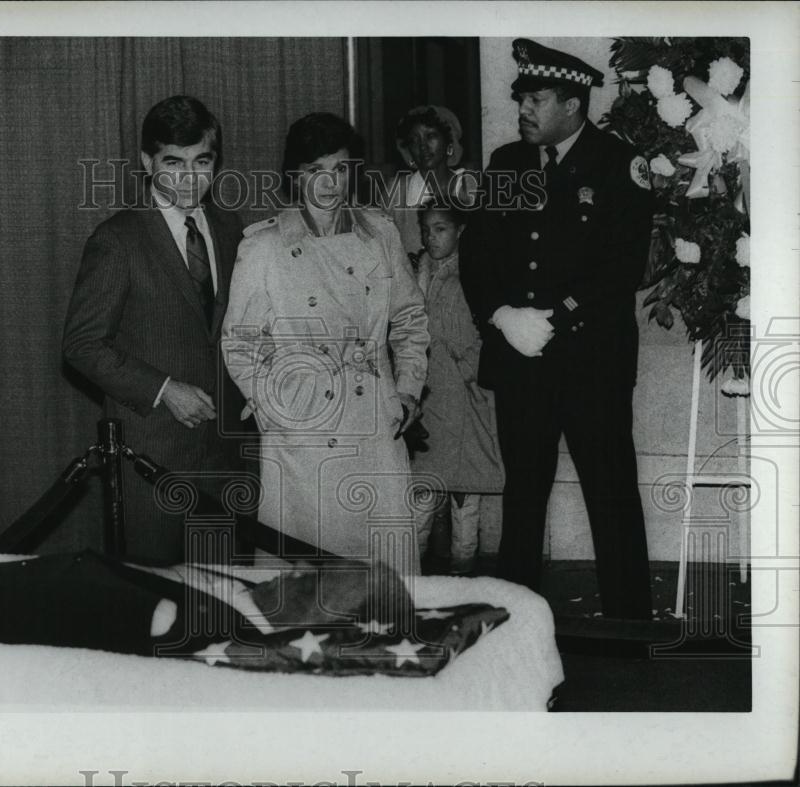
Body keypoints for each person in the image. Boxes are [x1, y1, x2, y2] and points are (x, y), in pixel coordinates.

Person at [466, 40, 654, 618]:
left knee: (610, 493)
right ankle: (515, 625)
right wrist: (501, 316)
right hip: (521, 358)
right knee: (522, 497)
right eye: (521, 98)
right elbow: (477, 253)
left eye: (537, 99)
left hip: (592, 360)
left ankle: (627, 628)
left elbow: (624, 266)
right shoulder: (507, 163)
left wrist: (558, 315)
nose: (523, 109)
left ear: (572, 105)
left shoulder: (618, 164)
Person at [221, 112, 429, 575]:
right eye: (316, 170)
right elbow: (239, 343)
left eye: (340, 169)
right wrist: (273, 406)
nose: (330, 183)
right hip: (304, 432)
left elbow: (410, 319)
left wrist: (408, 391)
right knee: (306, 574)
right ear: (295, 175)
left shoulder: (380, 234)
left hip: (374, 423)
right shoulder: (264, 247)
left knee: (381, 571)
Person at [62, 95, 251, 566]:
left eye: (202, 161)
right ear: (147, 163)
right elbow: (81, 345)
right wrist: (164, 389)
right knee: (154, 596)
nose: (190, 177)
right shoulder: (117, 239)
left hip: (227, 458)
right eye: (174, 163)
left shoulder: (232, 229)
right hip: (151, 459)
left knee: (226, 598)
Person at [411, 205, 503, 575]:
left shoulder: (473, 271)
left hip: (464, 400)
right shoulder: (417, 271)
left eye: (441, 228)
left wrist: (467, 370)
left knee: (465, 495)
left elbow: (485, 334)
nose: (431, 237)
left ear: (460, 230)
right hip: (427, 397)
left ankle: (463, 572)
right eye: (426, 229)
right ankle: (412, 573)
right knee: (422, 489)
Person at [386, 105, 478, 257]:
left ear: (449, 143)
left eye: (430, 136)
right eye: (414, 140)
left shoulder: (471, 187)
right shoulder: (396, 191)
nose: (422, 146)